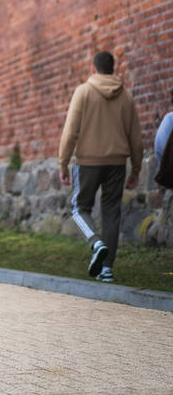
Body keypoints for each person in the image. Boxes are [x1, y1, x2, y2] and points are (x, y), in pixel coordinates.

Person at [59, 51, 143, 283]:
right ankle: (107, 270)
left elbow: (71, 131)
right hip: (117, 164)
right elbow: (136, 138)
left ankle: (96, 243)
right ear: (113, 69)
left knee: (79, 209)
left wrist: (63, 163)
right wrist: (136, 169)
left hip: (88, 162)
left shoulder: (83, 92)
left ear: (93, 68)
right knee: (111, 214)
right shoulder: (126, 97)